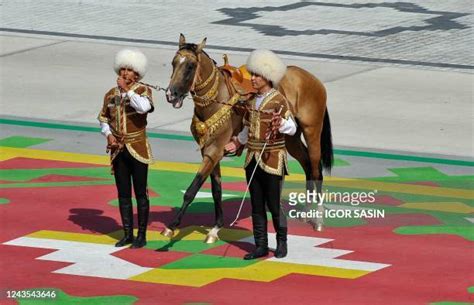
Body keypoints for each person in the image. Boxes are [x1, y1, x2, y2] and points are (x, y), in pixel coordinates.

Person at [225, 50, 296, 260]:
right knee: (256, 205)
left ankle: (281, 242)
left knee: (274, 204)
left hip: (272, 158)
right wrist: (237, 141)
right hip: (252, 158)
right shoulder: (251, 101)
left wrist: (280, 123)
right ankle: (261, 245)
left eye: (256, 75)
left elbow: (292, 127)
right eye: (252, 75)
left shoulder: (279, 101)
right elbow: (248, 129)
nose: (253, 79)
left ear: (268, 76)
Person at [97, 48, 154, 248]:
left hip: (137, 147)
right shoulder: (110, 95)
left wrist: (128, 91)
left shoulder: (142, 91)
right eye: (123, 69)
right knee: (123, 193)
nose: (125, 73)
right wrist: (109, 135)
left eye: (130, 70)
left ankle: (142, 235)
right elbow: (103, 117)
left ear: (137, 74)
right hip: (118, 150)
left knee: (140, 193)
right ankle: (127, 233)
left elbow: (143, 108)